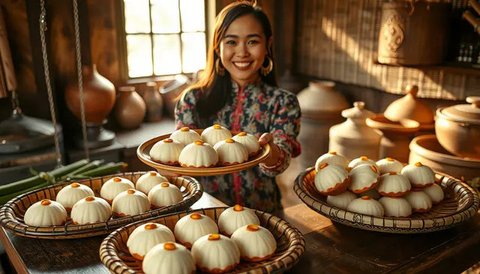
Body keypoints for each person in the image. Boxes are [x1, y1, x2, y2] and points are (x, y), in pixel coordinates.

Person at [175, 1, 301, 212]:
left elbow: (281, 161)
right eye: (231, 42)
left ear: (268, 44)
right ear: (217, 46)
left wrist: (270, 152)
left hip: (262, 213)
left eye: (252, 41)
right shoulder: (193, 100)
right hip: (203, 212)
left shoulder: (284, 102)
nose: (242, 52)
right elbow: (180, 153)